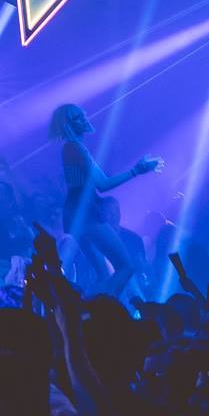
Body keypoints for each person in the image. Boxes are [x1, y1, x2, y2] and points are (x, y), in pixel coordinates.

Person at [49, 103, 160, 296]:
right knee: (125, 267)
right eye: (77, 117)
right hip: (84, 212)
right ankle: (100, 310)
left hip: (77, 212)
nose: (84, 118)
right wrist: (136, 171)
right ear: (67, 124)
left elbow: (100, 183)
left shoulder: (74, 147)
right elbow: (103, 184)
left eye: (82, 114)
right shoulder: (74, 147)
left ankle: (90, 309)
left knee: (102, 274)